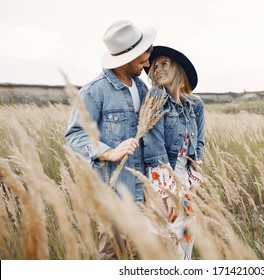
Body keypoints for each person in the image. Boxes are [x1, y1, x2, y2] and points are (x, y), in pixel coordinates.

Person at [64, 19, 157, 259]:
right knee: (112, 256)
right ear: (126, 59)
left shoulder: (142, 87)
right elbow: (75, 134)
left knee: (141, 256)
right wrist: (107, 151)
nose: (147, 64)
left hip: (143, 189)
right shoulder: (95, 91)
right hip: (113, 191)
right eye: (142, 60)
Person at [143, 46, 205, 259]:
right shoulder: (156, 96)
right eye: (155, 66)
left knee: (186, 241)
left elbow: (198, 149)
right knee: (167, 246)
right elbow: (154, 149)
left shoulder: (193, 106)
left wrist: (193, 186)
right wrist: (166, 193)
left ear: (177, 68)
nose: (157, 69)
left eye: (164, 64)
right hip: (162, 183)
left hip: (186, 185)